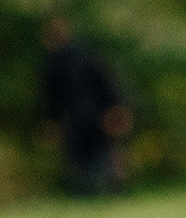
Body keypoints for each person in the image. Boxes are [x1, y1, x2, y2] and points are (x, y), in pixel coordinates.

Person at [40, 16, 132, 196]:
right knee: (103, 151)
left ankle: (88, 190)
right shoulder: (86, 53)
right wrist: (116, 105)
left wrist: (51, 119)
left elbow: (51, 97)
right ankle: (111, 187)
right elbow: (106, 80)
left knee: (81, 156)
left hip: (76, 116)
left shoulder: (53, 61)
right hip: (98, 112)